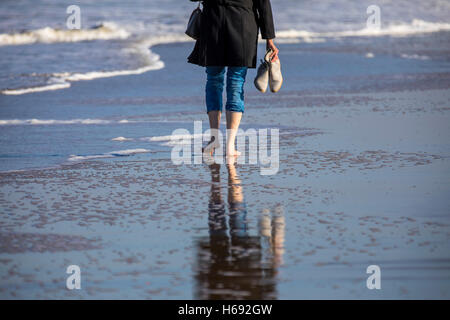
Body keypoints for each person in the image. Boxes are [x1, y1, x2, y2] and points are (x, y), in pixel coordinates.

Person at [188, 0, 279, 161]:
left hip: (213, 25)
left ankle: (214, 140)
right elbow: (263, 4)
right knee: (236, 83)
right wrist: (269, 38)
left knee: (214, 81)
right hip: (243, 26)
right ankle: (230, 145)